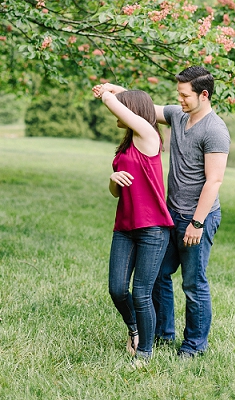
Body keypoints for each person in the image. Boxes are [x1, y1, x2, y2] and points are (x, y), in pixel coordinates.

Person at [102, 66, 230, 358]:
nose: (180, 100)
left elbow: (214, 180)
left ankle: (194, 346)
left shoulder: (215, 130)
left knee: (193, 283)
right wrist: (116, 89)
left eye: (185, 95)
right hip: (171, 214)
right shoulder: (179, 115)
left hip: (198, 217)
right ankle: (162, 333)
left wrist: (197, 223)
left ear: (204, 95)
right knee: (159, 275)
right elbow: (144, 109)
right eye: (179, 94)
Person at [92, 86, 174, 365]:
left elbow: (117, 106)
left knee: (141, 293)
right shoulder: (127, 144)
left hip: (152, 229)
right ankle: (134, 328)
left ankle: (145, 354)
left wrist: (106, 93)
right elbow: (117, 192)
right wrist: (113, 180)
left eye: (125, 107)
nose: (118, 111)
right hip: (125, 227)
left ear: (133, 112)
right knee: (117, 289)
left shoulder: (149, 136)